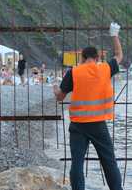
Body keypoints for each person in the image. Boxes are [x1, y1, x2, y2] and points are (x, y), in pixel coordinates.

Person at [53, 22, 124, 190]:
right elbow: (119, 55)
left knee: (76, 163)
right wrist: (114, 34)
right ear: (98, 58)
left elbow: (60, 97)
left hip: (78, 124)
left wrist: (56, 89)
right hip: (98, 123)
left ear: (82, 58)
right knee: (109, 161)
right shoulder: (105, 69)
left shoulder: (74, 72)